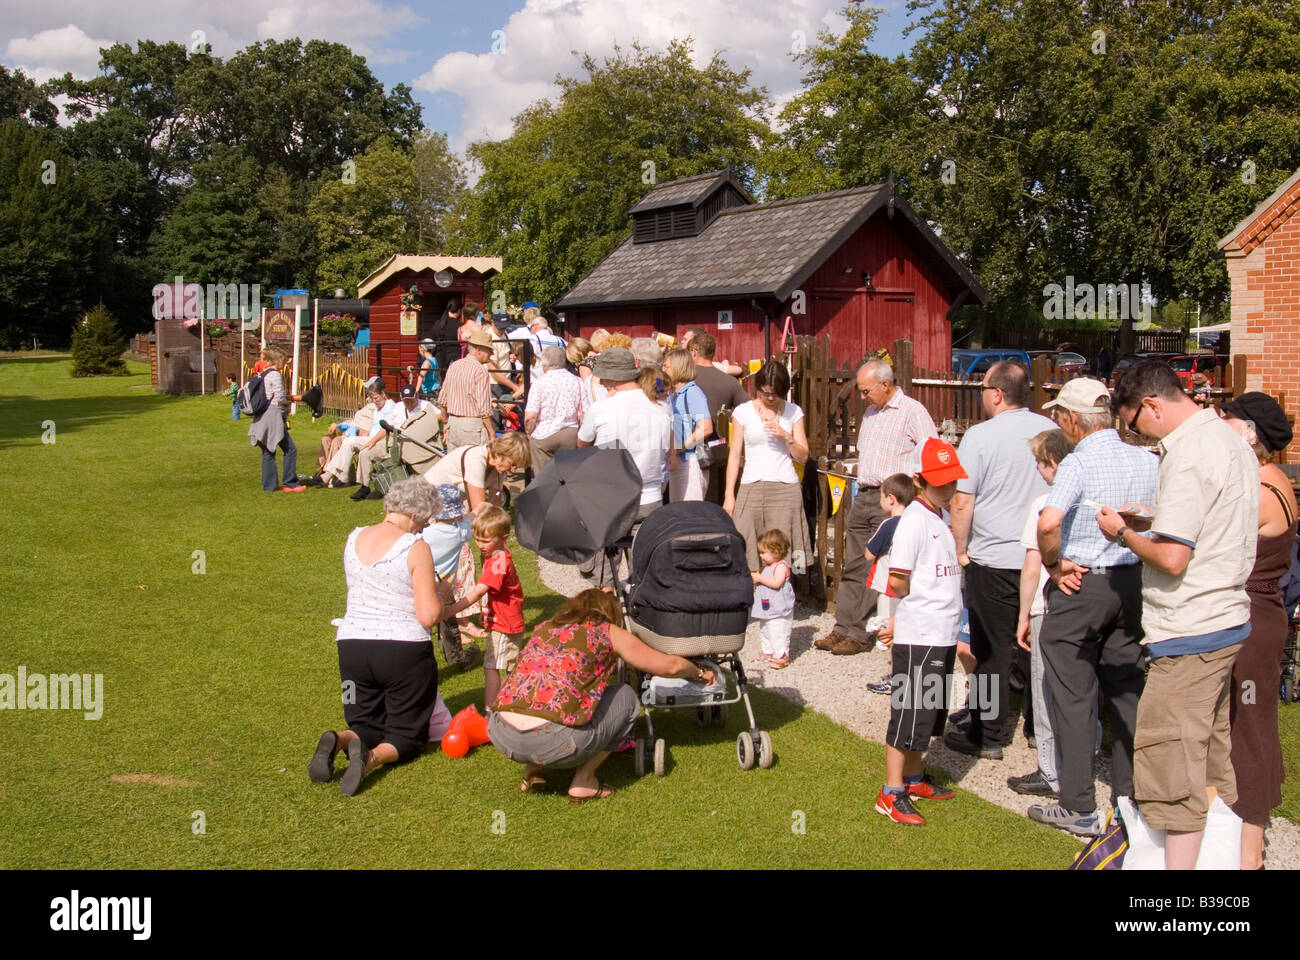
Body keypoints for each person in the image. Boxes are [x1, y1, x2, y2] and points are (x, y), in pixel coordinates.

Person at [1104, 361, 1258, 868]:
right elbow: (1214, 522)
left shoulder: (1187, 455)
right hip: (1226, 617)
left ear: (1151, 405)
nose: (1136, 434)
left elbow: (1173, 558)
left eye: (1133, 423)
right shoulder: (1228, 437)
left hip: (1189, 627)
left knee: (1171, 769)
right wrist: (1153, 520)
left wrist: (1123, 533)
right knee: (1210, 759)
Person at [1029, 377, 1157, 837]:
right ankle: (1130, 802)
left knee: (1073, 693)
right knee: (1126, 691)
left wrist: (1054, 564)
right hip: (1133, 583)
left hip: (1082, 584)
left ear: (1073, 421)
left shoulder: (1078, 462)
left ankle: (1079, 803)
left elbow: (1049, 521)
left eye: (1059, 415)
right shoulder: (1146, 458)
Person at [489, 588, 716, 801]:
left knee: (543, 691)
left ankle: (533, 770)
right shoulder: (606, 631)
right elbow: (670, 666)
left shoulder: (545, 627)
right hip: (552, 741)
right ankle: (584, 780)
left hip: (501, 732)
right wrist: (700, 672)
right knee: (626, 697)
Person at [308, 478, 448, 795]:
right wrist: (441, 595)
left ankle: (342, 739)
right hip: (403, 648)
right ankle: (370, 758)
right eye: (425, 521)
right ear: (416, 514)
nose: (424, 529)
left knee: (364, 720)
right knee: (407, 734)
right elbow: (428, 615)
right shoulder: (415, 547)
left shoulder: (354, 537)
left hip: (352, 643)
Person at [946, 361, 1055, 759]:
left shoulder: (979, 436)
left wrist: (960, 549)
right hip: (1040, 556)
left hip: (991, 555)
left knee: (990, 648)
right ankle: (1033, 725)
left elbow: (962, 500)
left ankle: (990, 733)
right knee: (1032, 644)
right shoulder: (1051, 432)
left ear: (995, 393)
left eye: (982, 389)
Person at [1219, 392, 1295, 869]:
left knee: (1247, 726)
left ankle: (1250, 850)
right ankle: (1247, 835)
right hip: (1261, 619)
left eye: (1227, 420)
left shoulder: (1261, 490)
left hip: (1249, 625)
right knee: (1251, 723)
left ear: (1248, 432)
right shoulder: (1275, 480)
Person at [874, 437, 966, 825]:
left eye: (952, 482)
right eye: (940, 482)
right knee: (909, 712)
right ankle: (891, 791)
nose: (948, 489)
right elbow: (898, 579)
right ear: (919, 480)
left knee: (928, 713)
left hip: (941, 631)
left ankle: (912, 777)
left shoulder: (939, 519)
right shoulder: (913, 521)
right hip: (921, 632)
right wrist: (901, 618)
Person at [817, 359, 937, 654]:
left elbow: (931, 452)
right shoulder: (871, 412)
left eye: (866, 390)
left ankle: (858, 632)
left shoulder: (912, 412)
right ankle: (841, 627)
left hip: (893, 500)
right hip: (865, 493)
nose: (862, 397)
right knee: (854, 562)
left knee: (876, 565)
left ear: (886, 385)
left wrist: (917, 496)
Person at [1006, 428, 1074, 798]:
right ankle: (1082, 755)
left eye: (1039, 462)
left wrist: (1023, 616)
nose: (1037, 469)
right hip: (1082, 603)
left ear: (1053, 463)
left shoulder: (1045, 504)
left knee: (1046, 688)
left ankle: (1050, 769)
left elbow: (1033, 565)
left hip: (1047, 605)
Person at [576, 347, 672, 586]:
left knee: (604, 569)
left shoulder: (601, 409)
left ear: (610, 378)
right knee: (646, 565)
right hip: (649, 493)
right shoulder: (661, 409)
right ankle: (642, 614)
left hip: (610, 495)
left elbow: (582, 444)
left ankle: (606, 615)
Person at [723, 360, 812, 578]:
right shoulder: (743, 412)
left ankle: (782, 595)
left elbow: (803, 456)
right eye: (765, 392)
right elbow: (734, 456)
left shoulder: (793, 412)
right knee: (745, 538)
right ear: (758, 387)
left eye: (776, 394)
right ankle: (752, 595)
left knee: (784, 544)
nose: (770, 398)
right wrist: (729, 495)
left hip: (785, 488)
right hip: (751, 485)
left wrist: (786, 436)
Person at [444, 505, 525, 713]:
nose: (480, 544)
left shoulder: (498, 562)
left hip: (504, 625)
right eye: (477, 539)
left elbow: (479, 591)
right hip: (502, 622)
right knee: (506, 666)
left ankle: (492, 711)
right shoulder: (495, 555)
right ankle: (508, 706)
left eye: (485, 540)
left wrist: (452, 609)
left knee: (492, 667)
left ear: (504, 536)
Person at [683, 330, 749, 504]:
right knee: (712, 504)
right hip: (717, 454)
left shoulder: (683, 378)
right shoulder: (730, 382)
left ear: (694, 352)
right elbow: (749, 410)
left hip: (685, 450)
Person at [420, 484, 478, 672]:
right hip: (443, 585)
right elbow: (472, 519)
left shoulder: (424, 532)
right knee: (449, 624)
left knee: (423, 624)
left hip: (422, 583)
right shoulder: (458, 532)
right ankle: (457, 658)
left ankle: (423, 660)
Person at [422, 431, 530, 514]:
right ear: (499, 454)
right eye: (512, 464)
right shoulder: (475, 459)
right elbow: (479, 507)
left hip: (451, 505)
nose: (513, 470)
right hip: (428, 501)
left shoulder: (498, 467)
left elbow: (496, 504)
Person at [247, 347, 306, 493]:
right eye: (284, 360)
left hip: (262, 416)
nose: (285, 363)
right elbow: (279, 397)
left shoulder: (264, 374)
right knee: (290, 449)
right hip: (273, 416)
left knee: (268, 451)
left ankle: (270, 486)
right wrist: (289, 400)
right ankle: (291, 483)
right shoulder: (275, 375)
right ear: (278, 360)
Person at [663, 347, 714, 502]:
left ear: (678, 367)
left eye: (666, 366)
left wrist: (681, 446)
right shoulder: (672, 394)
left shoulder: (692, 393)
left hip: (690, 462)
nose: (663, 370)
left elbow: (706, 427)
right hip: (678, 461)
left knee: (689, 514)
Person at [525, 345, 583, 475]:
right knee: (568, 474)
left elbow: (530, 416)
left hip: (543, 435)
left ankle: (546, 490)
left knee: (543, 474)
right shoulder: (578, 381)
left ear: (545, 365)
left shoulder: (539, 384)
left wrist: (528, 433)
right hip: (570, 432)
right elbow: (583, 412)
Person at [438, 328, 495, 450]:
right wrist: (492, 432)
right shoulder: (480, 371)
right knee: (474, 465)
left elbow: (442, 400)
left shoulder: (454, 366)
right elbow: (484, 409)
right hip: (472, 427)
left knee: (455, 466)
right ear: (479, 349)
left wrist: (445, 423)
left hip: (453, 424)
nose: (492, 354)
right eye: (489, 350)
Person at [751, 528, 796, 669]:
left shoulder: (781, 566)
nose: (761, 555)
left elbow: (776, 583)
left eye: (764, 553)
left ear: (776, 551)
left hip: (779, 607)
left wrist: (760, 578)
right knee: (765, 628)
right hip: (768, 606)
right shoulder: (769, 565)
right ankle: (768, 651)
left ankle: (781, 655)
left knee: (778, 630)